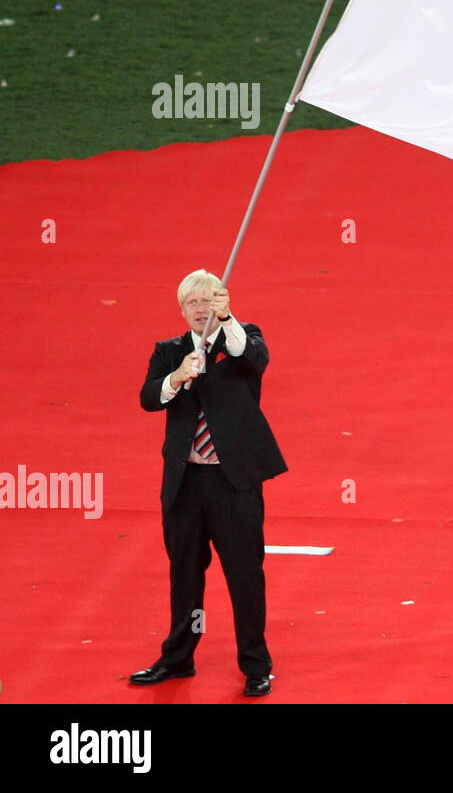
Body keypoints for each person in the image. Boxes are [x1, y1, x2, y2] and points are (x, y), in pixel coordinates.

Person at [130, 269, 287, 696]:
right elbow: (148, 397)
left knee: (244, 576)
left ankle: (256, 664)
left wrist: (229, 318)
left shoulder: (240, 340)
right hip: (185, 484)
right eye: (193, 304)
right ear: (182, 310)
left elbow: (255, 358)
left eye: (208, 302)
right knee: (184, 574)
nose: (201, 310)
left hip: (233, 484)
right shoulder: (169, 352)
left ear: (221, 302)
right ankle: (178, 657)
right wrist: (176, 377)